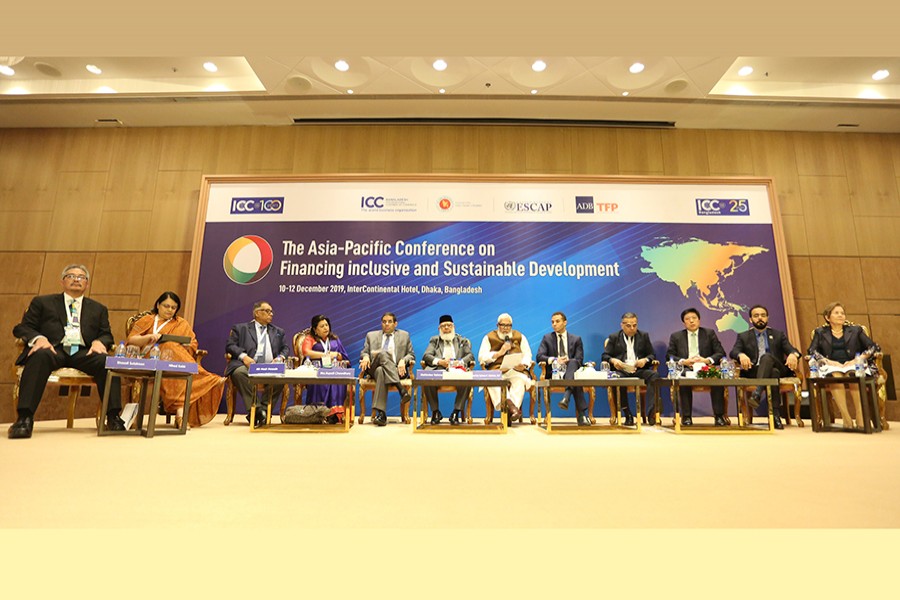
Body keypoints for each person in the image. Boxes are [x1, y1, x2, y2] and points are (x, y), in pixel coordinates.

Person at [10, 264, 125, 438]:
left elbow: (106, 334)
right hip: (53, 349)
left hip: (83, 352)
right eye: (71, 276)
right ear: (63, 282)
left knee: (107, 362)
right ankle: (24, 419)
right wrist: (39, 339)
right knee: (39, 356)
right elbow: (22, 328)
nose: (76, 280)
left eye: (81, 277)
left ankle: (113, 417)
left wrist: (99, 341)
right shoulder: (43, 302)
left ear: (87, 284)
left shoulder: (98, 308)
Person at [127, 291, 225, 428]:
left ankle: (180, 414)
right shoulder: (147, 320)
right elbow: (131, 340)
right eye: (166, 306)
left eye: (173, 308)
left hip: (173, 359)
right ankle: (205, 379)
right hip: (148, 356)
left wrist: (184, 346)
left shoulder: (180, 323)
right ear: (158, 305)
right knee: (169, 348)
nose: (169, 310)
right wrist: (148, 338)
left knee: (171, 350)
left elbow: (193, 344)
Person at [807, 301, 877, 430]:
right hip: (832, 365)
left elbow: (873, 347)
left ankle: (860, 416)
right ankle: (846, 418)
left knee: (853, 374)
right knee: (836, 375)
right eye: (836, 313)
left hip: (853, 364)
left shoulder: (856, 330)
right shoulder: (820, 332)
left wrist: (859, 358)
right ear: (827, 318)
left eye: (842, 313)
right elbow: (812, 351)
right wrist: (826, 361)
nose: (840, 316)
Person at [730, 304, 801, 429]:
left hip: (779, 366)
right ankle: (775, 416)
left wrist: (793, 355)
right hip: (755, 370)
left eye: (763, 315)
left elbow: (793, 350)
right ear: (750, 320)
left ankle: (757, 393)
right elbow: (733, 352)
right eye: (756, 316)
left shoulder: (778, 334)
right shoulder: (744, 336)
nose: (760, 318)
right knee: (773, 373)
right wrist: (741, 355)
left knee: (767, 357)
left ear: (767, 318)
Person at [225, 301, 291, 427]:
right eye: (267, 311)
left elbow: (285, 348)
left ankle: (262, 411)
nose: (271, 314)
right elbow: (230, 346)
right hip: (247, 366)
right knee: (239, 373)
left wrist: (280, 358)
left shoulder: (278, 331)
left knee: (282, 377)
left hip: (270, 366)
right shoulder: (241, 328)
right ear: (257, 313)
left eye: (271, 311)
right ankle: (258, 410)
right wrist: (244, 357)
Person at [666, 307, 727, 426]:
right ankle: (686, 417)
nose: (691, 321)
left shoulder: (709, 333)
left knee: (718, 380)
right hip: (687, 368)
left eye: (694, 318)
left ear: (699, 320)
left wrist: (706, 360)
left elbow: (720, 353)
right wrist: (684, 361)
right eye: (688, 319)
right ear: (684, 322)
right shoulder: (676, 336)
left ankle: (719, 416)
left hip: (705, 368)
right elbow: (669, 356)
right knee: (683, 379)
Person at [602, 312, 660, 426]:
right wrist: (614, 361)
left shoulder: (643, 336)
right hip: (622, 370)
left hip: (639, 369)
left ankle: (651, 412)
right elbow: (605, 356)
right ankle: (627, 413)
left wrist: (645, 360)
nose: (632, 328)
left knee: (654, 376)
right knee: (616, 379)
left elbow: (652, 355)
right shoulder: (614, 337)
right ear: (622, 325)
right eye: (628, 325)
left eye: (634, 325)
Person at [359, 312, 415, 426]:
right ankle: (401, 389)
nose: (386, 324)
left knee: (381, 371)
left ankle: (382, 415)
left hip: (396, 370)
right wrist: (365, 356)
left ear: (395, 324)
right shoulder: (371, 335)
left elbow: (411, 355)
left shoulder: (404, 335)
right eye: (384, 322)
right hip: (373, 368)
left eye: (390, 322)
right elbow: (364, 352)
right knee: (382, 354)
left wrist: (403, 360)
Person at [536, 311, 590, 426]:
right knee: (575, 381)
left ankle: (566, 397)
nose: (554, 324)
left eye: (557, 321)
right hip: (554, 372)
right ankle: (581, 414)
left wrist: (568, 361)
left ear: (565, 322)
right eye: (552, 322)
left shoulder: (576, 339)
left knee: (574, 362)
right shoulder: (547, 338)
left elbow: (580, 360)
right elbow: (539, 356)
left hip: (571, 370)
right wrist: (555, 360)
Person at [478, 313, 534, 423]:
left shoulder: (519, 336)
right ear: (497, 325)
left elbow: (528, 354)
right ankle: (512, 409)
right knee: (493, 381)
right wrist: (499, 353)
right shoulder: (488, 337)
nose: (505, 328)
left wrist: (524, 364)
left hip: (515, 370)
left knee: (520, 380)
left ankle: (510, 413)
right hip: (497, 370)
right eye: (502, 325)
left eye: (508, 325)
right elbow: (482, 357)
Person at [422, 314, 475, 426]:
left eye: (449, 325)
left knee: (467, 380)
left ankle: (456, 412)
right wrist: (439, 361)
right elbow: (426, 356)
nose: (446, 328)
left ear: (453, 327)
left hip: (456, 369)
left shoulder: (462, 340)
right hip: (439, 369)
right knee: (427, 379)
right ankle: (435, 412)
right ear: (439, 329)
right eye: (443, 326)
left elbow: (470, 356)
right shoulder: (434, 340)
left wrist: (460, 362)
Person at [301, 314, 350, 408]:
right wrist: (326, 355)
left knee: (338, 375)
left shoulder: (334, 339)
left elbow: (343, 356)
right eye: (322, 326)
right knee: (324, 376)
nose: (325, 328)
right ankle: (321, 410)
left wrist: (337, 355)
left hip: (334, 367)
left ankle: (336, 410)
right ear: (315, 329)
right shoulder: (310, 338)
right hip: (317, 368)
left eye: (326, 325)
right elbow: (306, 352)